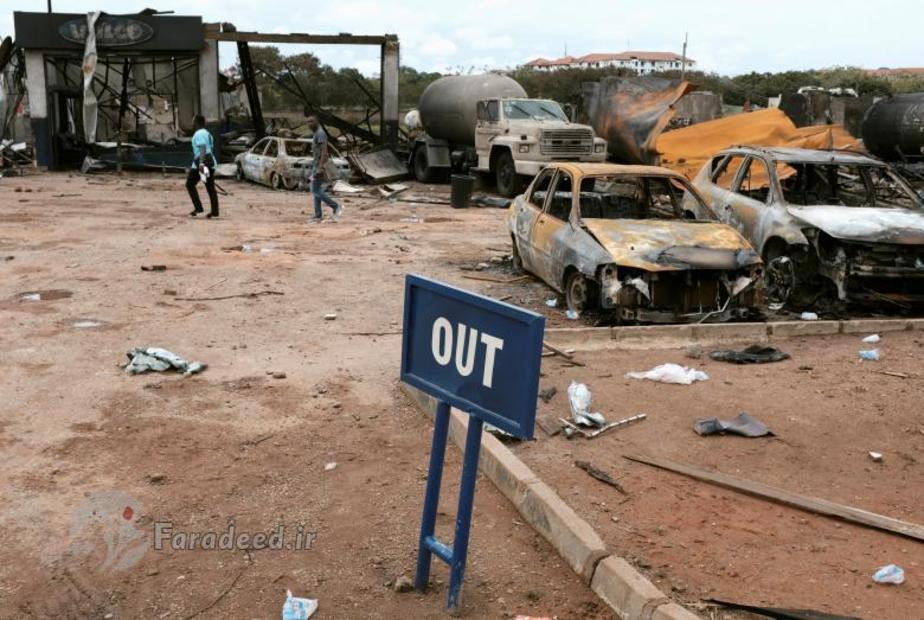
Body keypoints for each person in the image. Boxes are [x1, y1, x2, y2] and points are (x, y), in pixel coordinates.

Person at [306, 116, 342, 223]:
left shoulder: (320, 133)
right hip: (315, 166)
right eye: (307, 122)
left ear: (317, 121)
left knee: (315, 190)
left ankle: (335, 206)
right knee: (315, 188)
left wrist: (320, 167)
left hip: (319, 167)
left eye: (312, 121)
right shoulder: (316, 133)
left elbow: (324, 151)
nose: (309, 123)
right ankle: (318, 215)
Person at [186, 114, 219, 219]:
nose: (192, 123)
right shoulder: (208, 133)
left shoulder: (199, 133)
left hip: (201, 165)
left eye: (193, 121)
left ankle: (199, 208)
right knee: (210, 187)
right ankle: (214, 211)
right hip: (209, 163)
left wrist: (201, 164)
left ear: (196, 122)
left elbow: (203, 148)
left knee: (190, 184)